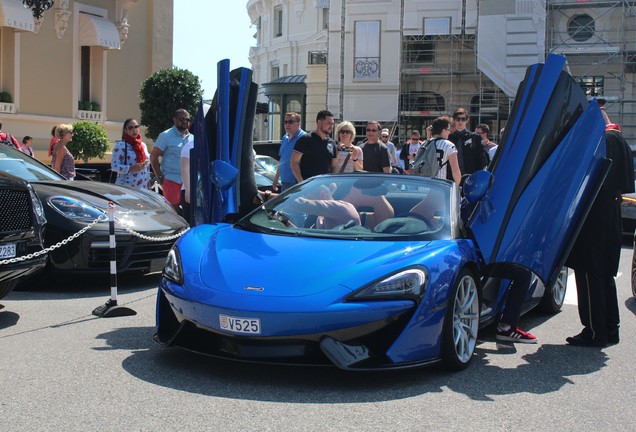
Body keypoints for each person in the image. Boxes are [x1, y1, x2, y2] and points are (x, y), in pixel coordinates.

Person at [565, 125, 634, 347]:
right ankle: (610, 328)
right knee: (604, 274)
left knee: (588, 272)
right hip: (611, 211)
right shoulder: (619, 140)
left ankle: (595, 331)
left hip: (594, 213)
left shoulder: (605, 139)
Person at [151, 108, 192, 211]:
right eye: (182, 119)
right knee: (173, 213)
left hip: (187, 183)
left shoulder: (192, 138)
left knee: (188, 214)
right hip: (172, 181)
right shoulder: (165, 136)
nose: (185, 122)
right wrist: (160, 177)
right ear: (174, 119)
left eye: (187, 119)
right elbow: (153, 157)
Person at [287, 182, 360, 229]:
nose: (308, 201)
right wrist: (286, 223)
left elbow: (302, 204)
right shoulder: (322, 215)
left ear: (322, 194)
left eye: (309, 199)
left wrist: (279, 200)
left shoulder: (340, 208)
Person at [291, 110, 337, 182]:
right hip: (308, 186)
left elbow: (333, 166)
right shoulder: (305, 139)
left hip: (325, 186)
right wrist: (301, 182)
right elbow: (294, 162)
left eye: (332, 124)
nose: (331, 126)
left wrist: (333, 182)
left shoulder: (332, 143)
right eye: (328, 123)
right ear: (319, 123)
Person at [111, 118, 151, 188]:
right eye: (130, 128)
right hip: (127, 188)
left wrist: (148, 180)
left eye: (136, 127)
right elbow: (114, 167)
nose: (134, 130)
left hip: (143, 187)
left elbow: (146, 165)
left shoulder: (143, 145)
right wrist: (131, 168)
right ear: (125, 130)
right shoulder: (121, 146)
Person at [448, 108, 488, 176]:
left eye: (463, 119)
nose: (460, 122)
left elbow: (482, 160)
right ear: (454, 120)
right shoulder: (449, 138)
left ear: (467, 120)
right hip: (452, 177)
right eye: (458, 119)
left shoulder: (475, 137)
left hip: (470, 176)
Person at [273, 112, 306, 192]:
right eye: (285, 122)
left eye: (290, 122)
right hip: (284, 182)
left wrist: (302, 183)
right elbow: (282, 160)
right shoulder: (285, 138)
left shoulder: (304, 138)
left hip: (297, 183)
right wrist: (276, 178)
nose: (287, 125)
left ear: (298, 123)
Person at [428, 116, 462, 184]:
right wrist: (458, 188)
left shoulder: (424, 144)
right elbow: (455, 171)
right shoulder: (449, 145)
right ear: (443, 131)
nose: (449, 132)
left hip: (422, 185)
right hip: (439, 185)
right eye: (449, 130)